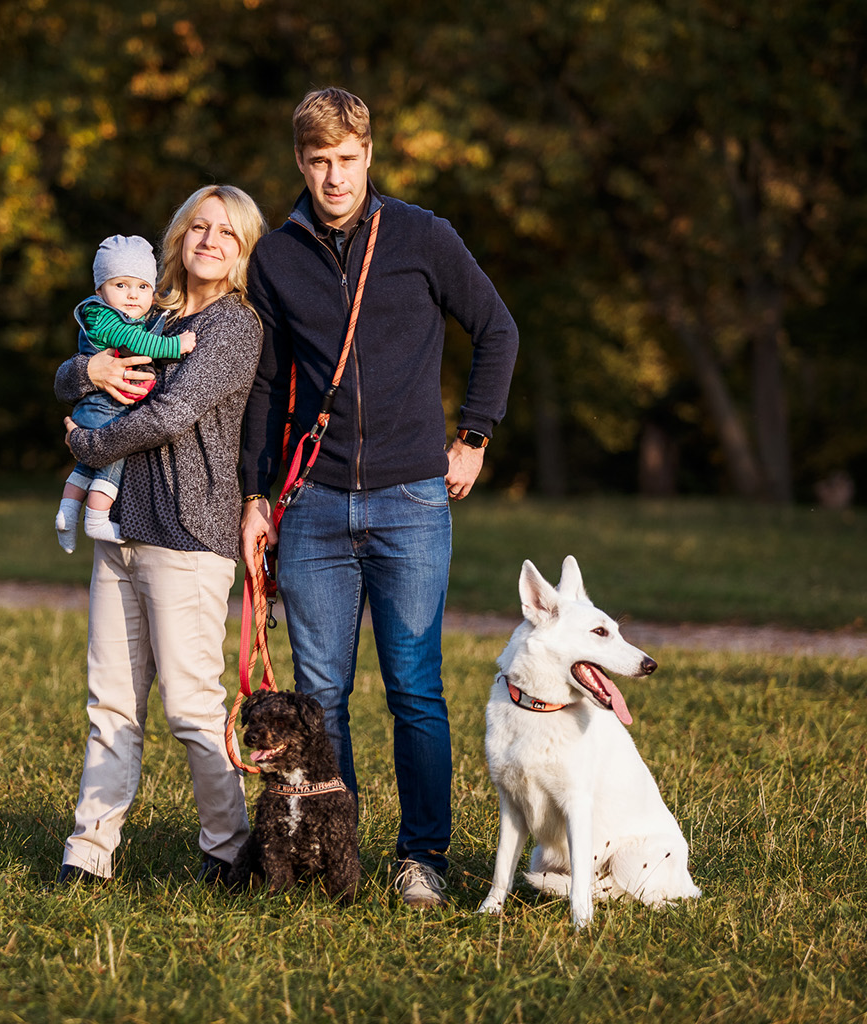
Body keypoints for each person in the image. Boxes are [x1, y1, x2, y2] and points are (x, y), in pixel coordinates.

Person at [238, 87, 520, 907]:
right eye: (319, 162)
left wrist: (473, 436)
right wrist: (259, 496)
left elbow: (497, 329)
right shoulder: (279, 257)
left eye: (348, 160)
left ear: (370, 154)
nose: (334, 177)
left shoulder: (423, 236)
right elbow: (266, 385)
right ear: (301, 161)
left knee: (414, 690)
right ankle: (339, 858)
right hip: (314, 503)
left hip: (411, 497)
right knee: (321, 698)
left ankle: (422, 857)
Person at [54, 184, 269, 885]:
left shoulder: (236, 326)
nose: (209, 240)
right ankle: (89, 852)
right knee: (110, 699)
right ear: (178, 236)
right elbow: (70, 369)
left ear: (241, 251)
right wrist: (86, 370)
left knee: (189, 706)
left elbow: (172, 414)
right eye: (198, 227)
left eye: (226, 233)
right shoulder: (150, 309)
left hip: (187, 532)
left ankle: (228, 849)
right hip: (119, 529)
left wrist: (91, 444)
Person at [54, 235, 198, 553]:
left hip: (93, 407)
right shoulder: (107, 320)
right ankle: (96, 517)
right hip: (107, 407)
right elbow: (144, 346)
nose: (133, 295)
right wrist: (178, 345)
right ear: (99, 291)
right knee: (112, 458)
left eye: (142, 287)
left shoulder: (122, 316)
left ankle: (66, 513)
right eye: (121, 285)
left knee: (85, 466)